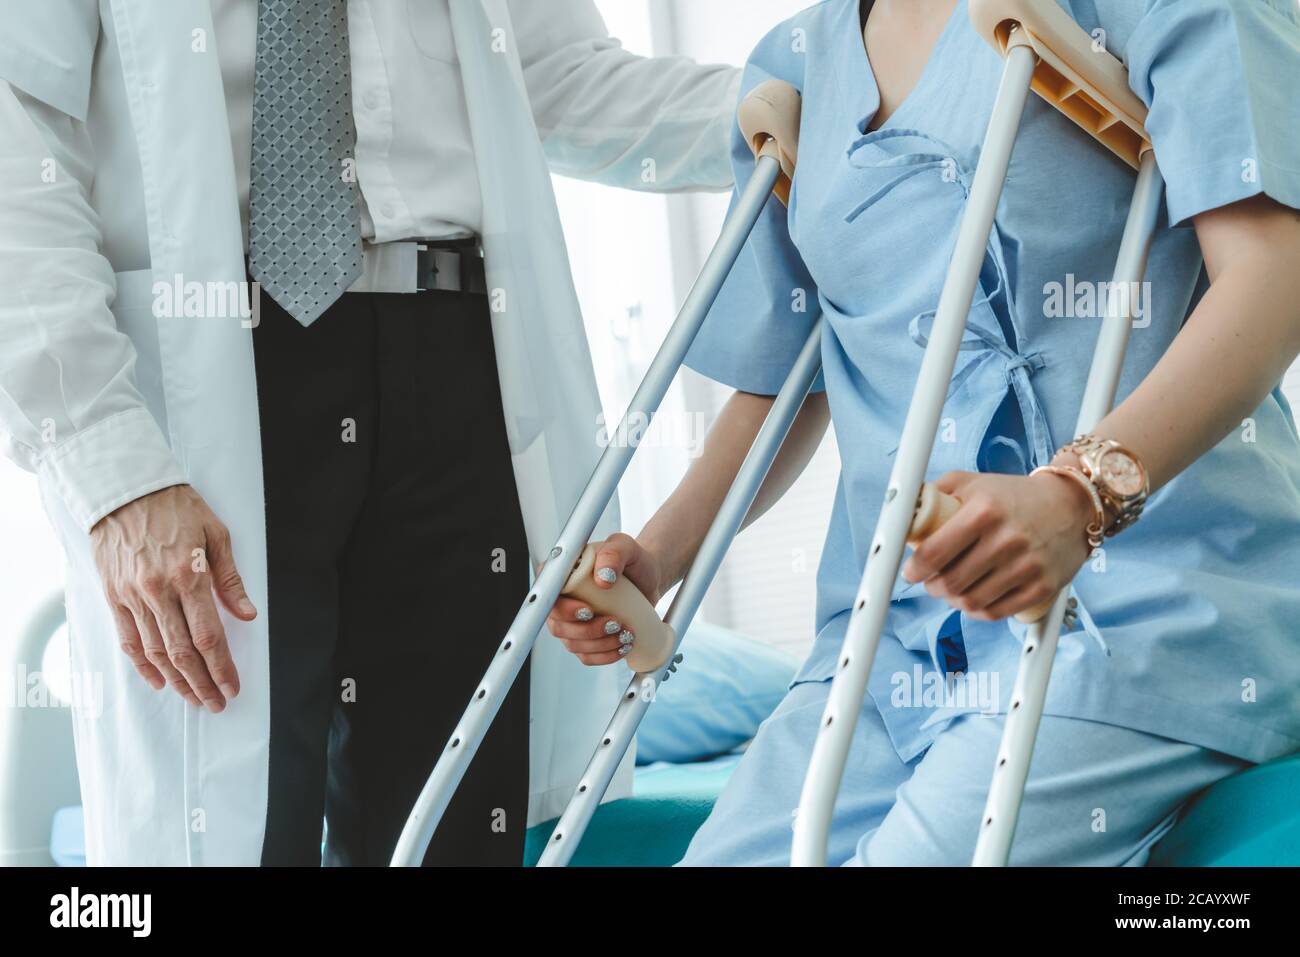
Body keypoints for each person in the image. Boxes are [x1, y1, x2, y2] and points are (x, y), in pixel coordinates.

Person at [548, 0, 1300, 865]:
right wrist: (659, 553)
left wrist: (1078, 492)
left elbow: (1270, 277)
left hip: (1139, 602)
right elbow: (794, 374)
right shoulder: (797, 63)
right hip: (886, 636)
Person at [0, 0, 739, 866]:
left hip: (457, 357)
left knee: (453, 831)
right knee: (238, 834)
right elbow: (19, 126)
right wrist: (108, 467)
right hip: (213, 372)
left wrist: (830, 90)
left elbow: (560, 73)